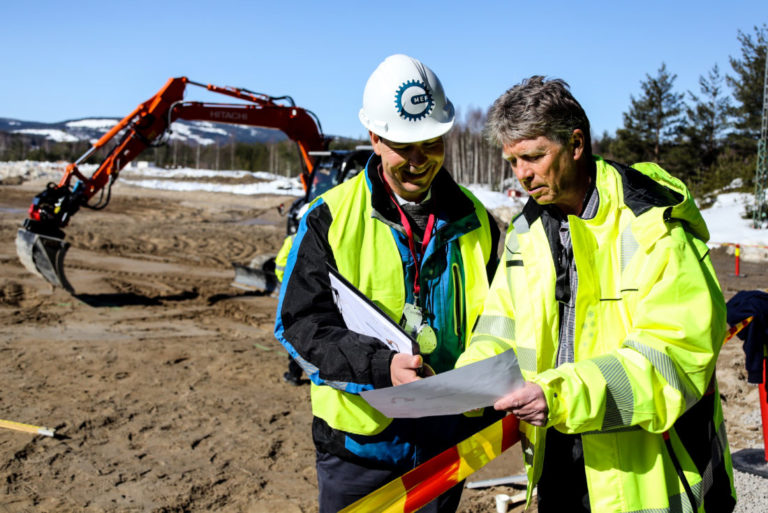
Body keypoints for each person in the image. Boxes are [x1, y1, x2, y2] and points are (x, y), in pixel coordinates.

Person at [457, 76, 737, 512]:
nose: (522, 175)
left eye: (533, 157)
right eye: (512, 161)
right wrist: (467, 381)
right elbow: (500, 326)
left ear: (576, 144)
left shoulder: (651, 224)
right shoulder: (524, 233)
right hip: (556, 462)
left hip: (647, 474)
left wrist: (559, 396)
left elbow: (675, 357)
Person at [274, 54, 501, 512]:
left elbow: (504, 316)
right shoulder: (329, 218)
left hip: (444, 441)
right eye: (404, 146)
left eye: (431, 143)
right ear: (375, 138)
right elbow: (299, 323)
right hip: (360, 451)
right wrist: (380, 367)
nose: (419, 161)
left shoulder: (477, 220)